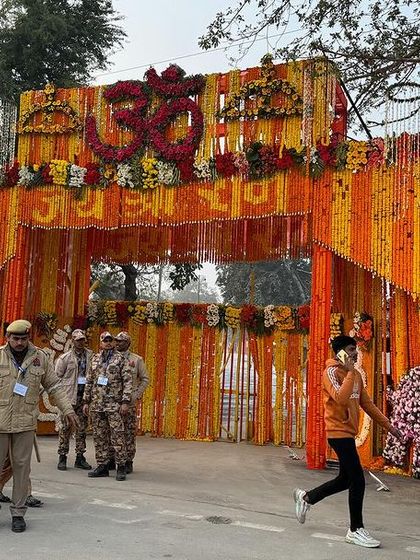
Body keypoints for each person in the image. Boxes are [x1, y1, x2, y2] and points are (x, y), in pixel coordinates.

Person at [293, 335, 404, 549]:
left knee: (345, 479)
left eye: (356, 349)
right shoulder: (331, 372)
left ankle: (306, 497)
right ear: (341, 352)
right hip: (337, 432)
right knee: (358, 480)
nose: (355, 353)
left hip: (348, 433)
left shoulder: (356, 376)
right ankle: (355, 529)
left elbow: (367, 404)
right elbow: (341, 398)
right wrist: (351, 371)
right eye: (351, 349)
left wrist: (390, 427)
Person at [0, 319, 78, 533]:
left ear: (28, 338)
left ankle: (18, 513)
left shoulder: (40, 358)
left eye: (23, 339)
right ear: (7, 338)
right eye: (15, 338)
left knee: (22, 471)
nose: (19, 342)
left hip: (25, 423)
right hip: (0, 423)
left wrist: (68, 410)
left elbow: (54, 386)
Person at [82, 332, 133, 482]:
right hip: (97, 404)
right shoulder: (95, 359)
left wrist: (125, 402)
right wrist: (86, 401)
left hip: (114, 405)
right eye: (106, 341)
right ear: (101, 343)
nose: (109, 343)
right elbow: (89, 381)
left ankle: (121, 466)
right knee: (99, 436)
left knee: (117, 435)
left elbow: (128, 381)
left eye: (111, 341)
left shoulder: (120, 359)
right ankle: (102, 465)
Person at [55, 329, 93, 471]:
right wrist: (60, 398)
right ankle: (62, 456)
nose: (80, 342)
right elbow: (56, 379)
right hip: (68, 398)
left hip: (84, 398)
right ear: (72, 341)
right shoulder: (64, 358)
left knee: (81, 429)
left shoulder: (90, 355)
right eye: (78, 340)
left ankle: (80, 457)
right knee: (64, 428)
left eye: (82, 339)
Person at [114, 331, 149, 474]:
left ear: (128, 343)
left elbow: (145, 379)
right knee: (113, 432)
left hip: (129, 403)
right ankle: (111, 459)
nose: (118, 343)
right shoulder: (110, 358)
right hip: (112, 402)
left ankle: (128, 460)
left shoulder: (136, 360)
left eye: (121, 341)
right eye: (116, 341)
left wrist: (136, 395)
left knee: (128, 432)